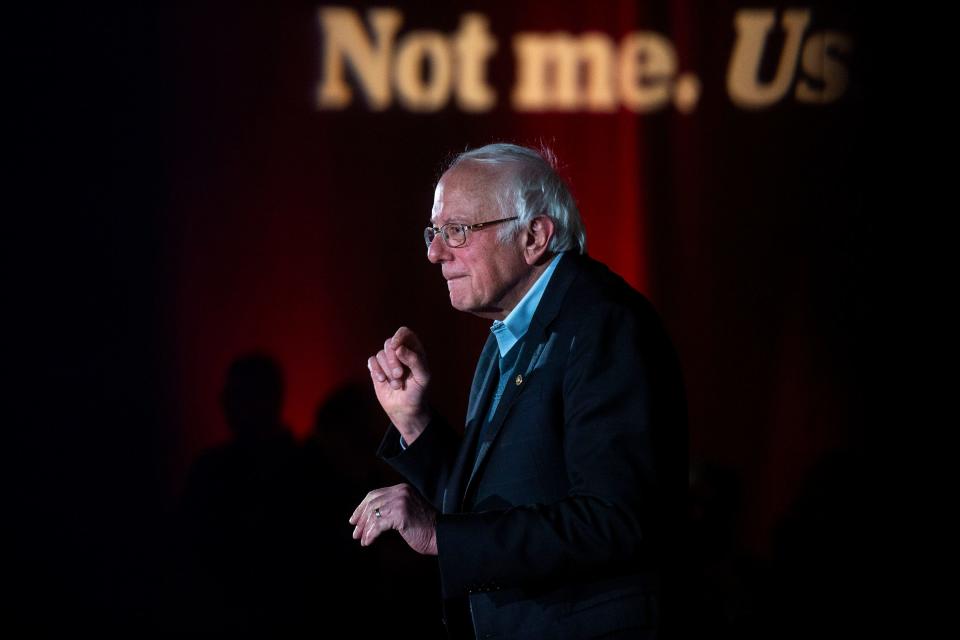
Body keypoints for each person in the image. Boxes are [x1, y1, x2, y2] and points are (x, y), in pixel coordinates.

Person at [350, 143, 687, 639]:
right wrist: (414, 423)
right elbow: (494, 501)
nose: (434, 252)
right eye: (434, 232)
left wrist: (439, 536)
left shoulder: (604, 325)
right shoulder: (510, 332)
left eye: (457, 231)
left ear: (534, 235)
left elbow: (614, 520)